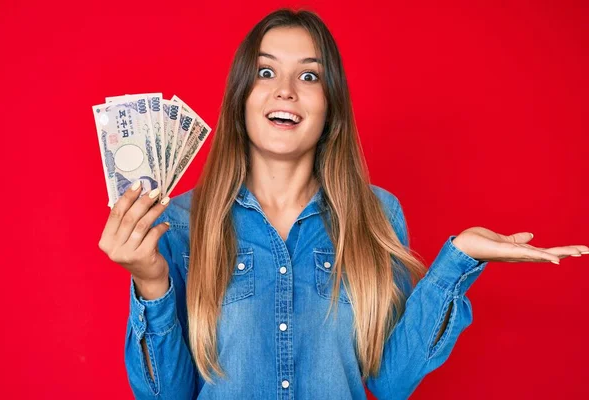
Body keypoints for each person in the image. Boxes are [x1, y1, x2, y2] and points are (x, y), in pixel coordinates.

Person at [98, 8, 588, 400]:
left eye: (309, 77)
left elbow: (391, 384)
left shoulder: (377, 215)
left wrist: (459, 259)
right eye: (266, 71)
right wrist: (151, 282)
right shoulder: (181, 222)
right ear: (241, 97)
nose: (285, 90)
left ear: (330, 105)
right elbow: (167, 395)